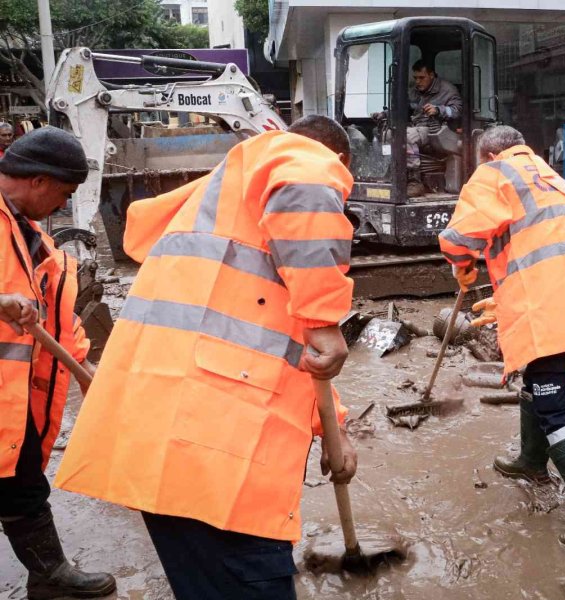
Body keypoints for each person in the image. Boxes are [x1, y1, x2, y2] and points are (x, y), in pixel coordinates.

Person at [54, 116, 360, 600]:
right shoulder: (300, 160)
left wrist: (334, 427)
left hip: (168, 440)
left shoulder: (222, 215)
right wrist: (326, 320)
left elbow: (271, 342)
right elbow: (308, 332)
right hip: (212, 453)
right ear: (336, 161)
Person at [439, 125, 565, 551]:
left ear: (489, 155)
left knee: (555, 404)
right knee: (542, 380)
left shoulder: (497, 174)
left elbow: (459, 237)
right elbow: (546, 251)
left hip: (550, 306)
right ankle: (531, 461)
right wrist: (506, 300)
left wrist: (462, 267)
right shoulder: (559, 182)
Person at [0, 127, 116, 599]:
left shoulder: (31, 239)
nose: (62, 206)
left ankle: (48, 576)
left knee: (21, 480)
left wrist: (87, 370)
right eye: (65, 195)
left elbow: (58, 321)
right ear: (40, 181)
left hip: (10, 397)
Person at [375, 60, 462, 197]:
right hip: (416, 126)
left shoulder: (448, 90)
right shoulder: (415, 91)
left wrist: (439, 110)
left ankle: (415, 181)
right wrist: (385, 114)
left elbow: (457, 111)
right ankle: (393, 174)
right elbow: (403, 108)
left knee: (408, 137)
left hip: (436, 128)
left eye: (422, 78)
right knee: (388, 133)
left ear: (431, 75)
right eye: (415, 78)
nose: (418, 82)